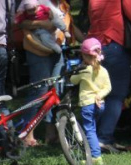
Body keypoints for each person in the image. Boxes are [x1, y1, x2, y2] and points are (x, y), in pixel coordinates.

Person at [18, 0, 83, 147]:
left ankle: (51, 133)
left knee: (55, 91)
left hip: (57, 51)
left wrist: (86, 41)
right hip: (38, 51)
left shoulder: (62, 4)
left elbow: (69, 26)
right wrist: (43, 24)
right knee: (39, 91)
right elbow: (20, 23)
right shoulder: (34, 2)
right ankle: (27, 133)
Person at [87, 0, 131, 153]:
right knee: (116, 95)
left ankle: (92, 137)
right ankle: (104, 138)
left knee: (97, 93)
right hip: (113, 43)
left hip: (94, 47)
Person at [71, 38, 111, 165]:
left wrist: (76, 69)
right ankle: (94, 151)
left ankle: (96, 156)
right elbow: (108, 87)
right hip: (100, 104)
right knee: (93, 128)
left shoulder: (84, 71)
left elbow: (73, 80)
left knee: (90, 130)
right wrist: (99, 95)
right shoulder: (103, 71)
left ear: (84, 55)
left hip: (88, 104)